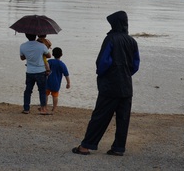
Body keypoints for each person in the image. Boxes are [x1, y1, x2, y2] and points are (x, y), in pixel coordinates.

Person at [73, 11, 140, 157]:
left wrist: (102, 74)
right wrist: (126, 74)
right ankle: (118, 148)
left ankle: (86, 146)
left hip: (110, 85)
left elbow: (103, 62)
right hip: (127, 86)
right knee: (123, 118)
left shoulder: (110, 39)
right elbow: (135, 65)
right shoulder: (132, 41)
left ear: (114, 23)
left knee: (100, 116)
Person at [19, 33, 51, 115]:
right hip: (40, 71)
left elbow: (22, 58)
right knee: (42, 91)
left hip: (29, 71)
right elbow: (48, 55)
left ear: (26, 36)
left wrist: (30, 55)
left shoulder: (23, 46)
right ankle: (43, 109)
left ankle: (26, 109)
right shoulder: (41, 46)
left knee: (28, 90)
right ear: (36, 35)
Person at [45, 47, 70, 113]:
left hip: (48, 81)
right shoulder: (62, 64)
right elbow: (66, 75)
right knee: (55, 95)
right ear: (61, 54)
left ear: (52, 54)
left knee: (46, 94)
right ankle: (54, 108)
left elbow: (45, 68)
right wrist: (68, 83)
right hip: (56, 83)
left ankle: (45, 106)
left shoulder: (49, 61)